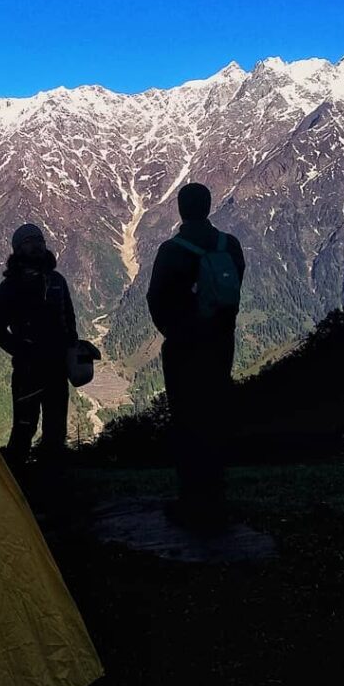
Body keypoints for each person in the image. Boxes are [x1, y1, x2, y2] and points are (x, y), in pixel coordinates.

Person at [146, 183, 245, 529]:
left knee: (187, 418)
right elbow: (234, 291)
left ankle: (192, 498)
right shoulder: (229, 245)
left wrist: (177, 332)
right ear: (208, 206)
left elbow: (155, 298)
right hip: (221, 344)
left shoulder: (172, 250)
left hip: (185, 347)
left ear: (181, 209)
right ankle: (217, 494)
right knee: (215, 414)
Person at [0, 223, 79, 478]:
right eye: (28, 241)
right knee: (24, 428)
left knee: (55, 430)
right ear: (17, 249)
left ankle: (51, 486)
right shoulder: (11, 286)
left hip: (57, 370)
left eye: (39, 240)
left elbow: (69, 319)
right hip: (28, 371)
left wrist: (74, 348)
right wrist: (22, 350)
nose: (36, 245)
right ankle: (17, 486)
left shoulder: (58, 281)